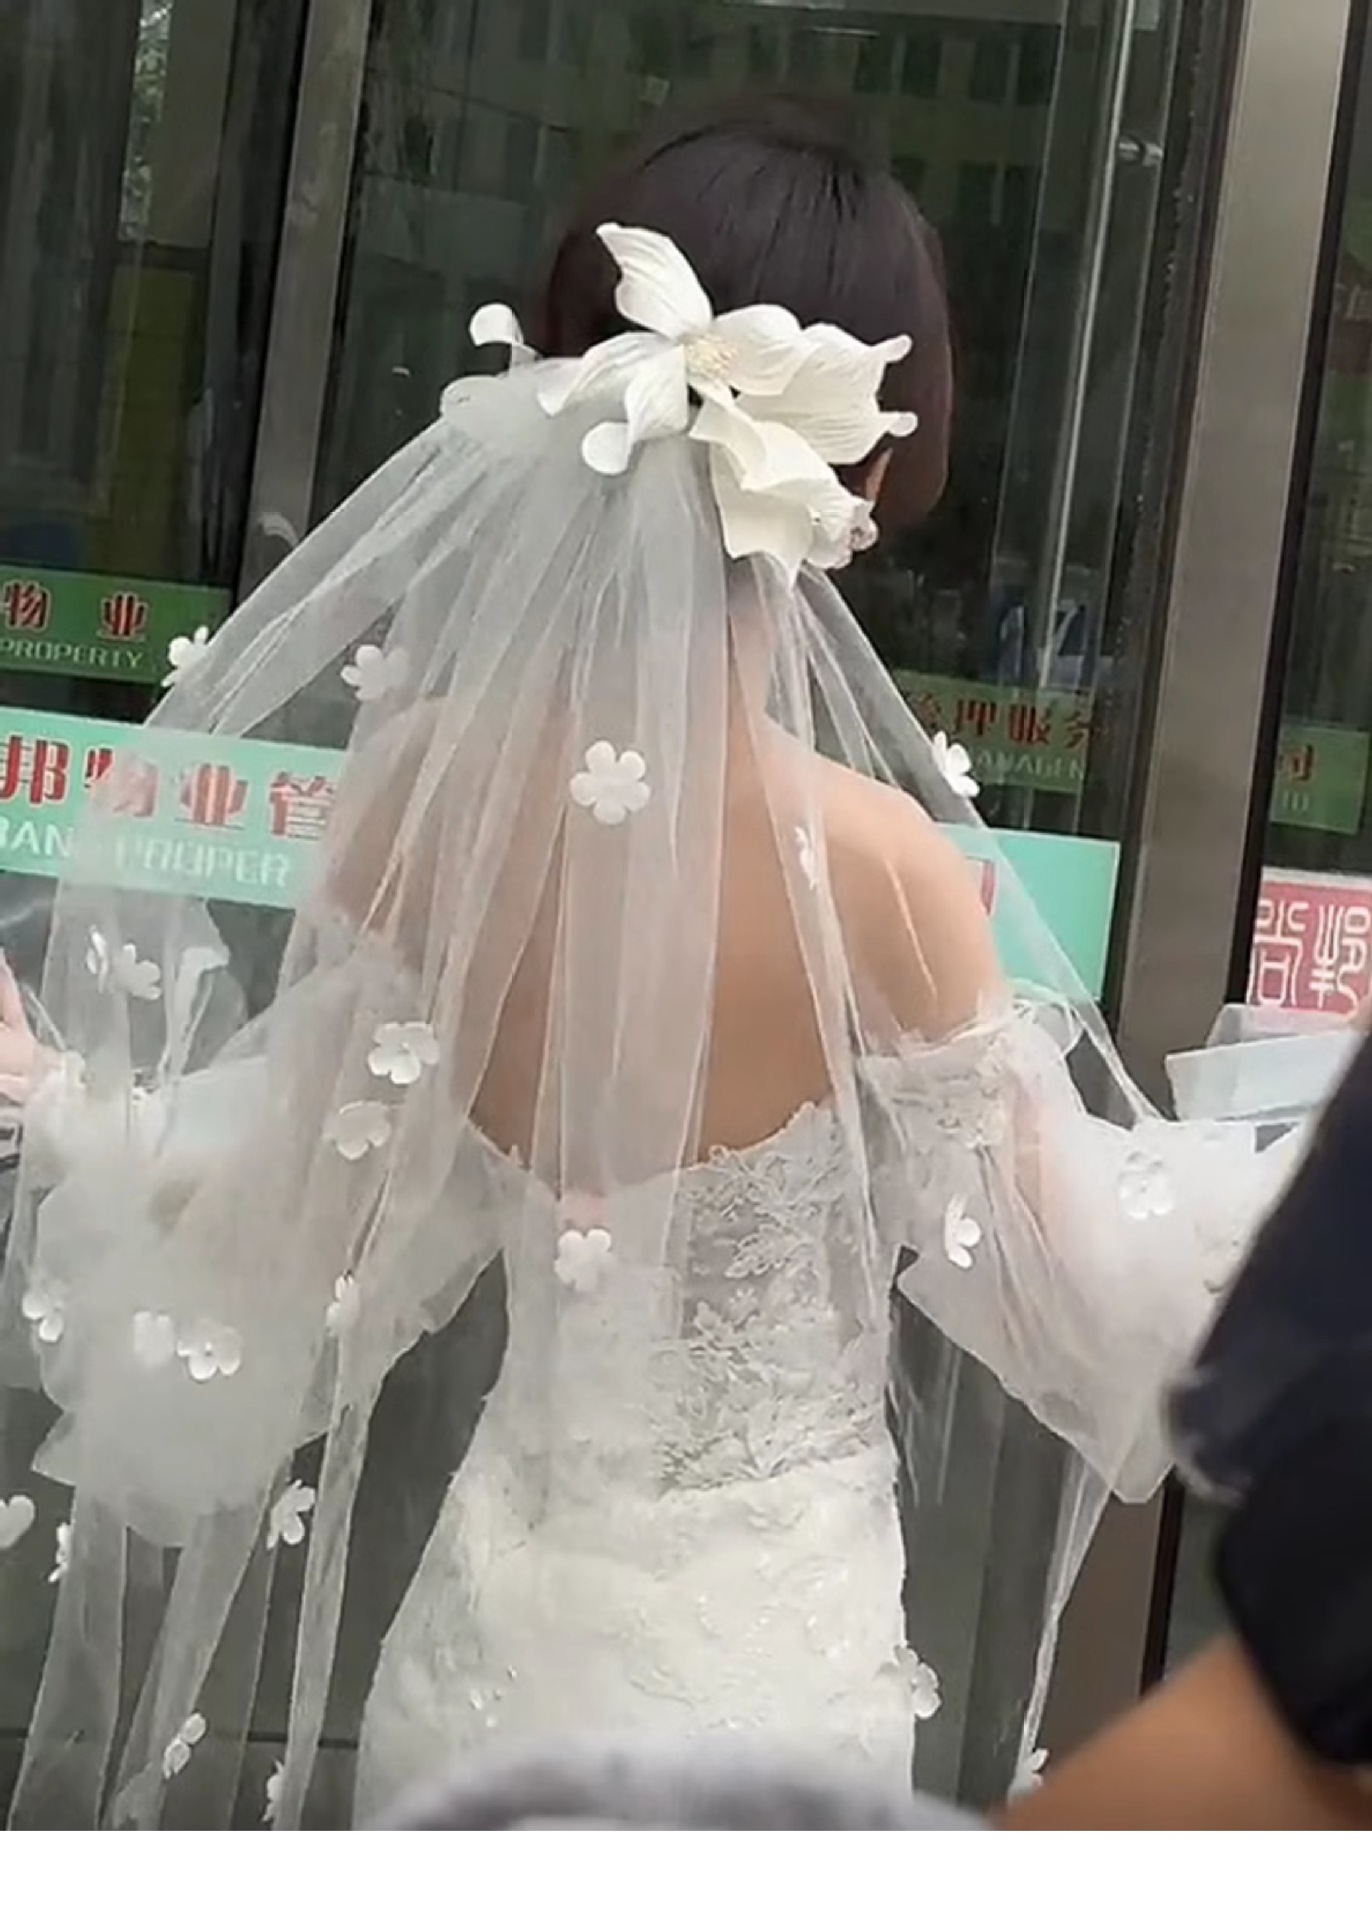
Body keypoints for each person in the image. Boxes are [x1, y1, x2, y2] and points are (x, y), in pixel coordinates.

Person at [0, 98, 1319, 1830]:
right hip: (769, 1676)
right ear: (860, 474)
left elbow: (296, 1204)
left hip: (481, 1667)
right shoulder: (881, 874)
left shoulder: (421, 807)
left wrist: (70, 1105)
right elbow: (1079, 1297)